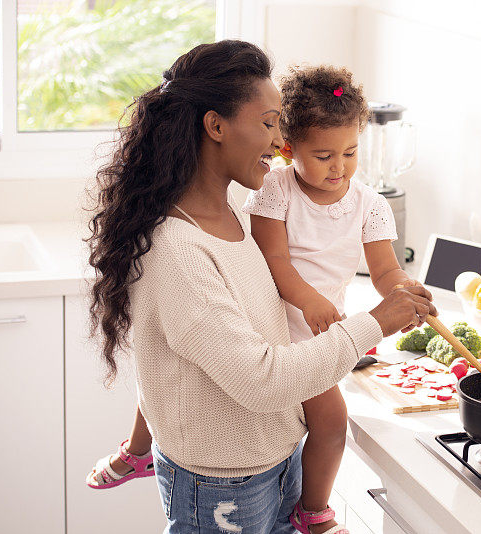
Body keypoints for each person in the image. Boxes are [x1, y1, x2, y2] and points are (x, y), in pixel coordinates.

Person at [86, 40, 435, 534]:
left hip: (275, 459)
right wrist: (376, 322)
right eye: (270, 124)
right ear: (216, 126)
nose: (279, 143)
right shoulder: (178, 251)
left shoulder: (235, 214)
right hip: (223, 486)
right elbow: (262, 379)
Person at [242, 65, 420, 534]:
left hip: (322, 339)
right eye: (323, 155)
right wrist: (309, 299)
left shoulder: (369, 203)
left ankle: (309, 509)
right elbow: (274, 260)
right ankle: (309, 509)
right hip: (274, 329)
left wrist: (405, 292)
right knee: (308, 422)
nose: (338, 167)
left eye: (349, 152)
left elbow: (384, 271)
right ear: (288, 149)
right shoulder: (275, 189)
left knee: (329, 423)